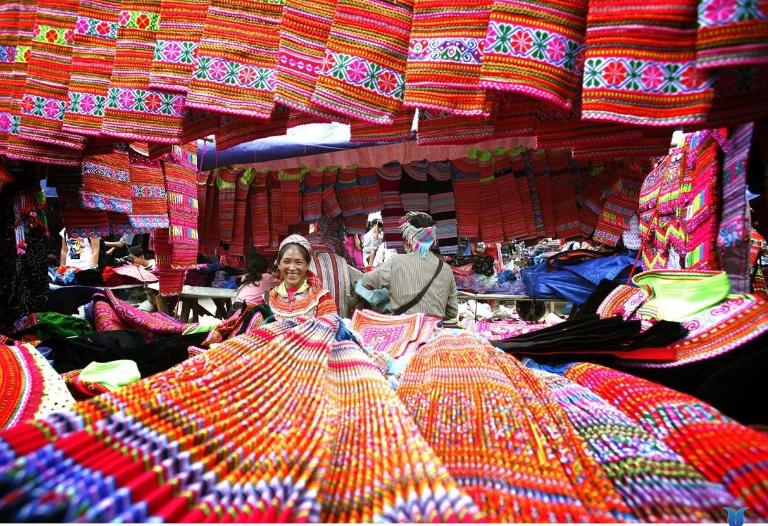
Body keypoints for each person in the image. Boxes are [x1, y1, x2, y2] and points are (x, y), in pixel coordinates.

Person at [361, 212, 458, 321]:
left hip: (403, 330)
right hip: (433, 331)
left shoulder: (396, 262)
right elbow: (452, 312)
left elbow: (365, 282)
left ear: (409, 237)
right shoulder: (446, 269)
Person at [266, 234, 337, 320]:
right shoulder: (268, 298)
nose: (292, 268)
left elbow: (330, 329)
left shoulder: (322, 298)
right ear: (278, 264)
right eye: (286, 261)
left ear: (307, 265)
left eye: (298, 262)